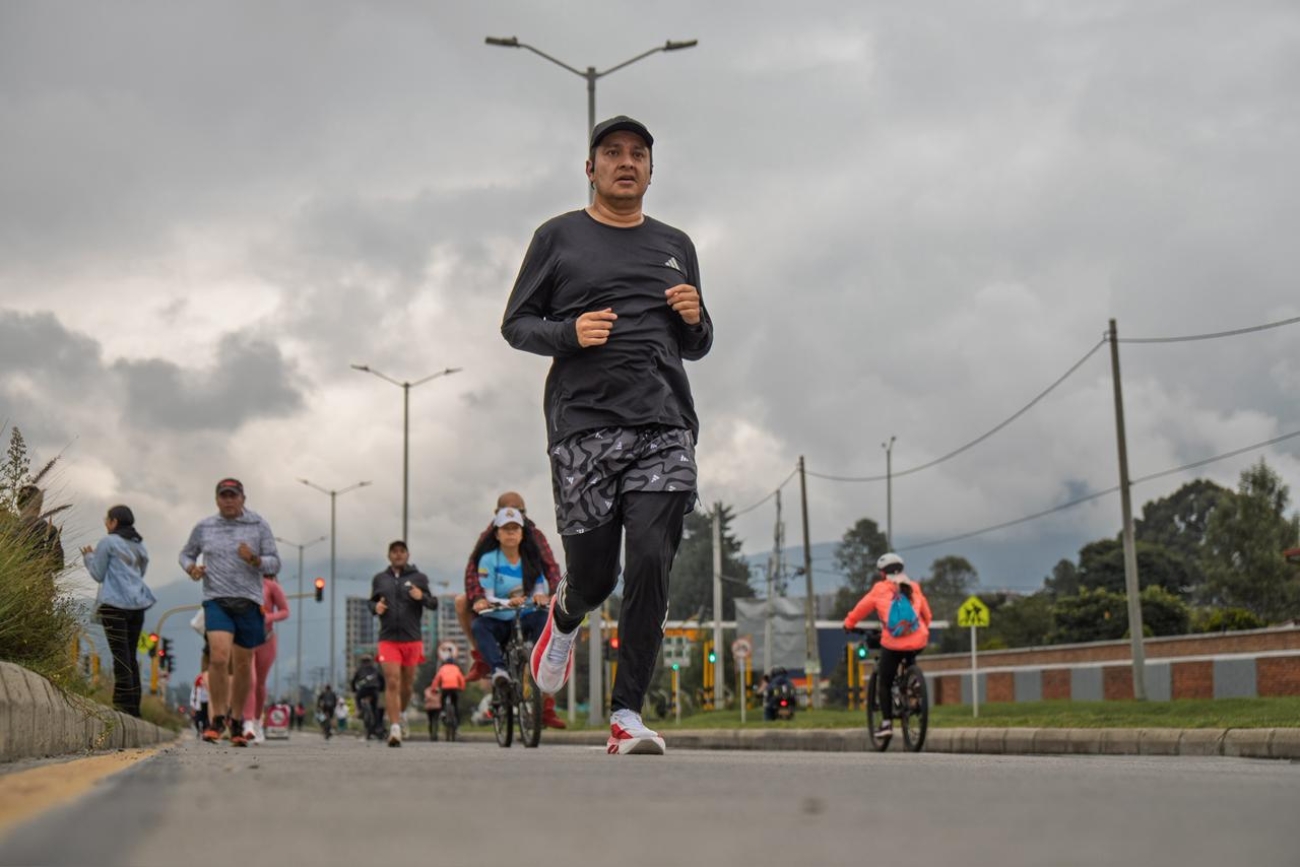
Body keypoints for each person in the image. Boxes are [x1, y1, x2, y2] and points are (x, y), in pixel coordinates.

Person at [502, 115, 713, 756]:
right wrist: (568, 333)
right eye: (613, 153)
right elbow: (517, 324)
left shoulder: (676, 244)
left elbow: (697, 343)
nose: (627, 162)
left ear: (651, 170)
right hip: (584, 427)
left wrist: (696, 317)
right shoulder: (558, 237)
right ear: (590, 168)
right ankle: (566, 615)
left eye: (638, 154)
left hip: (664, 425)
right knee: (595, 577)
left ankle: (626, 715)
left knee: (651, 561)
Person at [179, 478, 280, 747]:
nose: (228, 500)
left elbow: (274, 562)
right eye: (224, 496)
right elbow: (186, 555)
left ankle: (237, 720)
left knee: (244, 664)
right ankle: (217, 719)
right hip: (217, 600)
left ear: (242, 499)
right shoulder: (205, 527)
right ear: (216, 499)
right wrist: (192, 569)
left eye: (233, 495)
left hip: (248, 601)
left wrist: (255, 559)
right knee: (219, 658)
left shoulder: (258, 525)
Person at [457, 492, 568, 729]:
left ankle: (546, 703)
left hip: (528, 604)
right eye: (505, 524)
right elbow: (472, 571)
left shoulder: (535, 538)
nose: (511, 531)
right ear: (496, 521)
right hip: (495, 607)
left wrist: (551, 595)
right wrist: (478, 599)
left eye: (519, 515)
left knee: (560, 632)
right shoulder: (488, 541)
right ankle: (483, 657)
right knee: (461, 602)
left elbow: (550, 568)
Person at [842, 553, 932, 738]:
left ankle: (886, 723)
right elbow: (927, 616)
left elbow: (861, 609)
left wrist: (848, 624)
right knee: (910, 657)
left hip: (893, 644)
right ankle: (913, 686)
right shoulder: (914, 587)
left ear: (883, 573)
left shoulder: (880, 589)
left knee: (885, 681)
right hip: (918, 641)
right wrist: (919, 630)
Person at [81, 504, 155, 718]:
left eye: (107, 520)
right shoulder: (139, 546)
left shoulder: (108, 542)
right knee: (130, 656)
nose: (106, 523)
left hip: (114, 605)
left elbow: (98, 573)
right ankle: (134, 708)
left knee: (119, 656)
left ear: (114, 522)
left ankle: (122, 705)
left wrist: (89, 557)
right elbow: (141, 572)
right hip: (137, 605)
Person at [468, 507, 549, 687]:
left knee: (544, 619)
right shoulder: (488, 560)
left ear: (522, 533)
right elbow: (489, 596)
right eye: (506, 529)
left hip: (525, 615)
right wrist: (508, 602)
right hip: (499, 619)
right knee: (479, 626)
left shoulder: (532, 558)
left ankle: (538, 662)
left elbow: (539, 589)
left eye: (515, 528)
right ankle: (498, 670)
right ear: (497, 534)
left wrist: (540, 597)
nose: (511, 533)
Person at [369, 540, 438, 747]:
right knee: (392, 682)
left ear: (407, 555)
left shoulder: (419, 578)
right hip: (388, 639)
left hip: (412, 639)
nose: (398, 554)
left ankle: (401, 713)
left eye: (402, 551)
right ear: (389, 556)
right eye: (394, 551)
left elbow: (433, 603)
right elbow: (371, 602)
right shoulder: (380, 579)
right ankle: (395, 728)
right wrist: (376, 607)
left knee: (407, 686)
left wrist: (421, 596)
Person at [241, 572, 290, 744]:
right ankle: (247, 723)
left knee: (260, 684)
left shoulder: (271, 586)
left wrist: (269, 617)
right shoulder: (239, 580)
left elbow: (285, 611)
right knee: (250, 681)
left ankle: (257, 722)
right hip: (245, 639)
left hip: (266, 640)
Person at [426, 656, 467, 741]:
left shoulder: (442, 668)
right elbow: (461, 679)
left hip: (445, 688)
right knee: (455, 705)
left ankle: (443, 712)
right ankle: (457, 722)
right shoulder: (456, 668)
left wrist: (433, 688)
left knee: (442, 701)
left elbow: (436, 679)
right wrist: (462, 688)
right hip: (454, 688)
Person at [351, 654, 386, 740]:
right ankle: (378, 726)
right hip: (374, 690)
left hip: (363, 690)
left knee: (357, 697)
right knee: (375, 709)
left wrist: (354, 690)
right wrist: (381, 689)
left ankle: (360, 710)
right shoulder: (375, 669)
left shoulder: (359, 670)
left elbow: (353, 681)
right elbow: (382, 680)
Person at [191, 655, 210, 738]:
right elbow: (194, 692)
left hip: (209, 702)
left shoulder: (213, 678)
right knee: (198, 718)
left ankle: (206, 731)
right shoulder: (199, 678)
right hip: (200, 702)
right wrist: (193, 705)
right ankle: (199, 730)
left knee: (207, 718)